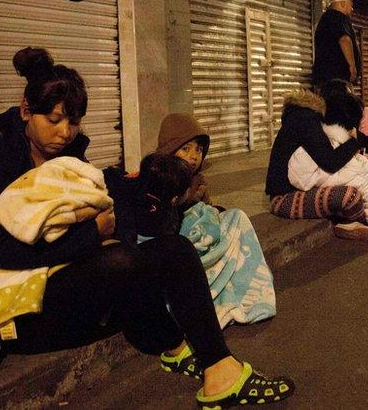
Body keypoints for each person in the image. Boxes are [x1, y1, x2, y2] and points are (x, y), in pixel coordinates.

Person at [0, 47, 293, 408]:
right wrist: (92, 236)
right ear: (25, 111)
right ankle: (187, 353)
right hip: (10, 308)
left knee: (171, 252)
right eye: (54, 120)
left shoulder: (67, 155)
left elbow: (111, 201)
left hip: (58, 281)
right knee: (125, 264)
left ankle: (210, 365)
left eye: (74, 121)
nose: (65, 132)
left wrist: (117, 229)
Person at [106, 113, 277, 328]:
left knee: (236, 217)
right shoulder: (156, 179)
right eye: (185, 149)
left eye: (198, 149)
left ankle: (242, 290)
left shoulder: (199, 181)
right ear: (169, 150)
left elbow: (209, 211)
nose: (194, 156)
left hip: (200, 238)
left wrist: (212, 212)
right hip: (174, 241)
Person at [266, 85, 368, 241]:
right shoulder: (306, 120)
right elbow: (330, 162)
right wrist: (353, 142)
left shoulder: (306, 116)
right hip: (284, 199)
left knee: (366, 189)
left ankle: (353, 221)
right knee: (349, 196)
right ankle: (354, 221)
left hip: (301, 190)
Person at [286, 82, 368, 236]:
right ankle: (357, 222)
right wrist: (353, 146)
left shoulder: (325, 124)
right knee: (352, 193)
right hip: (288, 195)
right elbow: (329, 165)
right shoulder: (311, 126)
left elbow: (362, 141)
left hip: (306, 184)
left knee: (367, 185)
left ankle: (355, 223)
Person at [312, 0, 360, 87]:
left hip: (329, 78)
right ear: (342, 3)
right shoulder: (338, 17)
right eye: (350, 4)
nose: (352, 9)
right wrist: (352, 65)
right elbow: (344, 39)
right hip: (336, 78)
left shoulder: (327, 18)